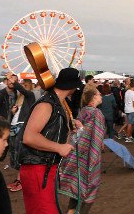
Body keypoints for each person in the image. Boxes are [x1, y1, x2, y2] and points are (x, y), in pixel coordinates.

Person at [19, 68, 84, 214]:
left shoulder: (58, 103)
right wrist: (58, 147)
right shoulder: (46, 104)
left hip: (46, 168)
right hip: (37, 168)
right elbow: (29, 137)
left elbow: (50, 131)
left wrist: (69, 128)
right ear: (73, 87)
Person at [57, 86, 106, 214]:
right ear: (93, 97)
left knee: (77, 183)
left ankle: (70, 212)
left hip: (77, 153)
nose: (101, 96)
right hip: (90, 154)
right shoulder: (97, 113)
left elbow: (79, 132)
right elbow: (96, 138)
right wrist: (95, 154)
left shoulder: (83, 110)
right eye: (99, 94)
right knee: (91, 186)